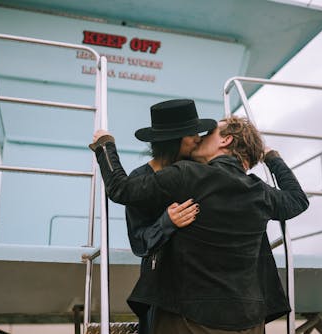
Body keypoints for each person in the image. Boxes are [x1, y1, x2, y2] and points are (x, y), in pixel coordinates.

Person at [90, 115, 309, 333]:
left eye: (209, 133)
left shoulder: (187, 174)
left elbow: (121, 188)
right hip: (249, 321)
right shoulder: (261, 192)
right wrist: (272, 157)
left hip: (191, 320)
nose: (199, 138)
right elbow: (298, 200)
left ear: (226, 140)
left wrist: (105, 144)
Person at [124, 99, 218, 334]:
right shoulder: (139, 179)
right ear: (174, 138)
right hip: (163, 288)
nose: (199, 137)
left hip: (206, 284)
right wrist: (167, 222)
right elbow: (139, 242)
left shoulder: (202, 170)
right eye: (192, 133)